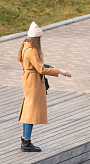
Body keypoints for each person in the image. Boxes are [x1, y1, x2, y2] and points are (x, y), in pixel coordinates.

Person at [18, 22, 71, 151]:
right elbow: (41, 69)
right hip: (33, 82)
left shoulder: (25, 46)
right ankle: (26, 141)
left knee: (28, 110)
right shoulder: (32, 50)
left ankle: (25, 139)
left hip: (28, 79)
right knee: (30, 112)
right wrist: (59, 71)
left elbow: (30, 63)